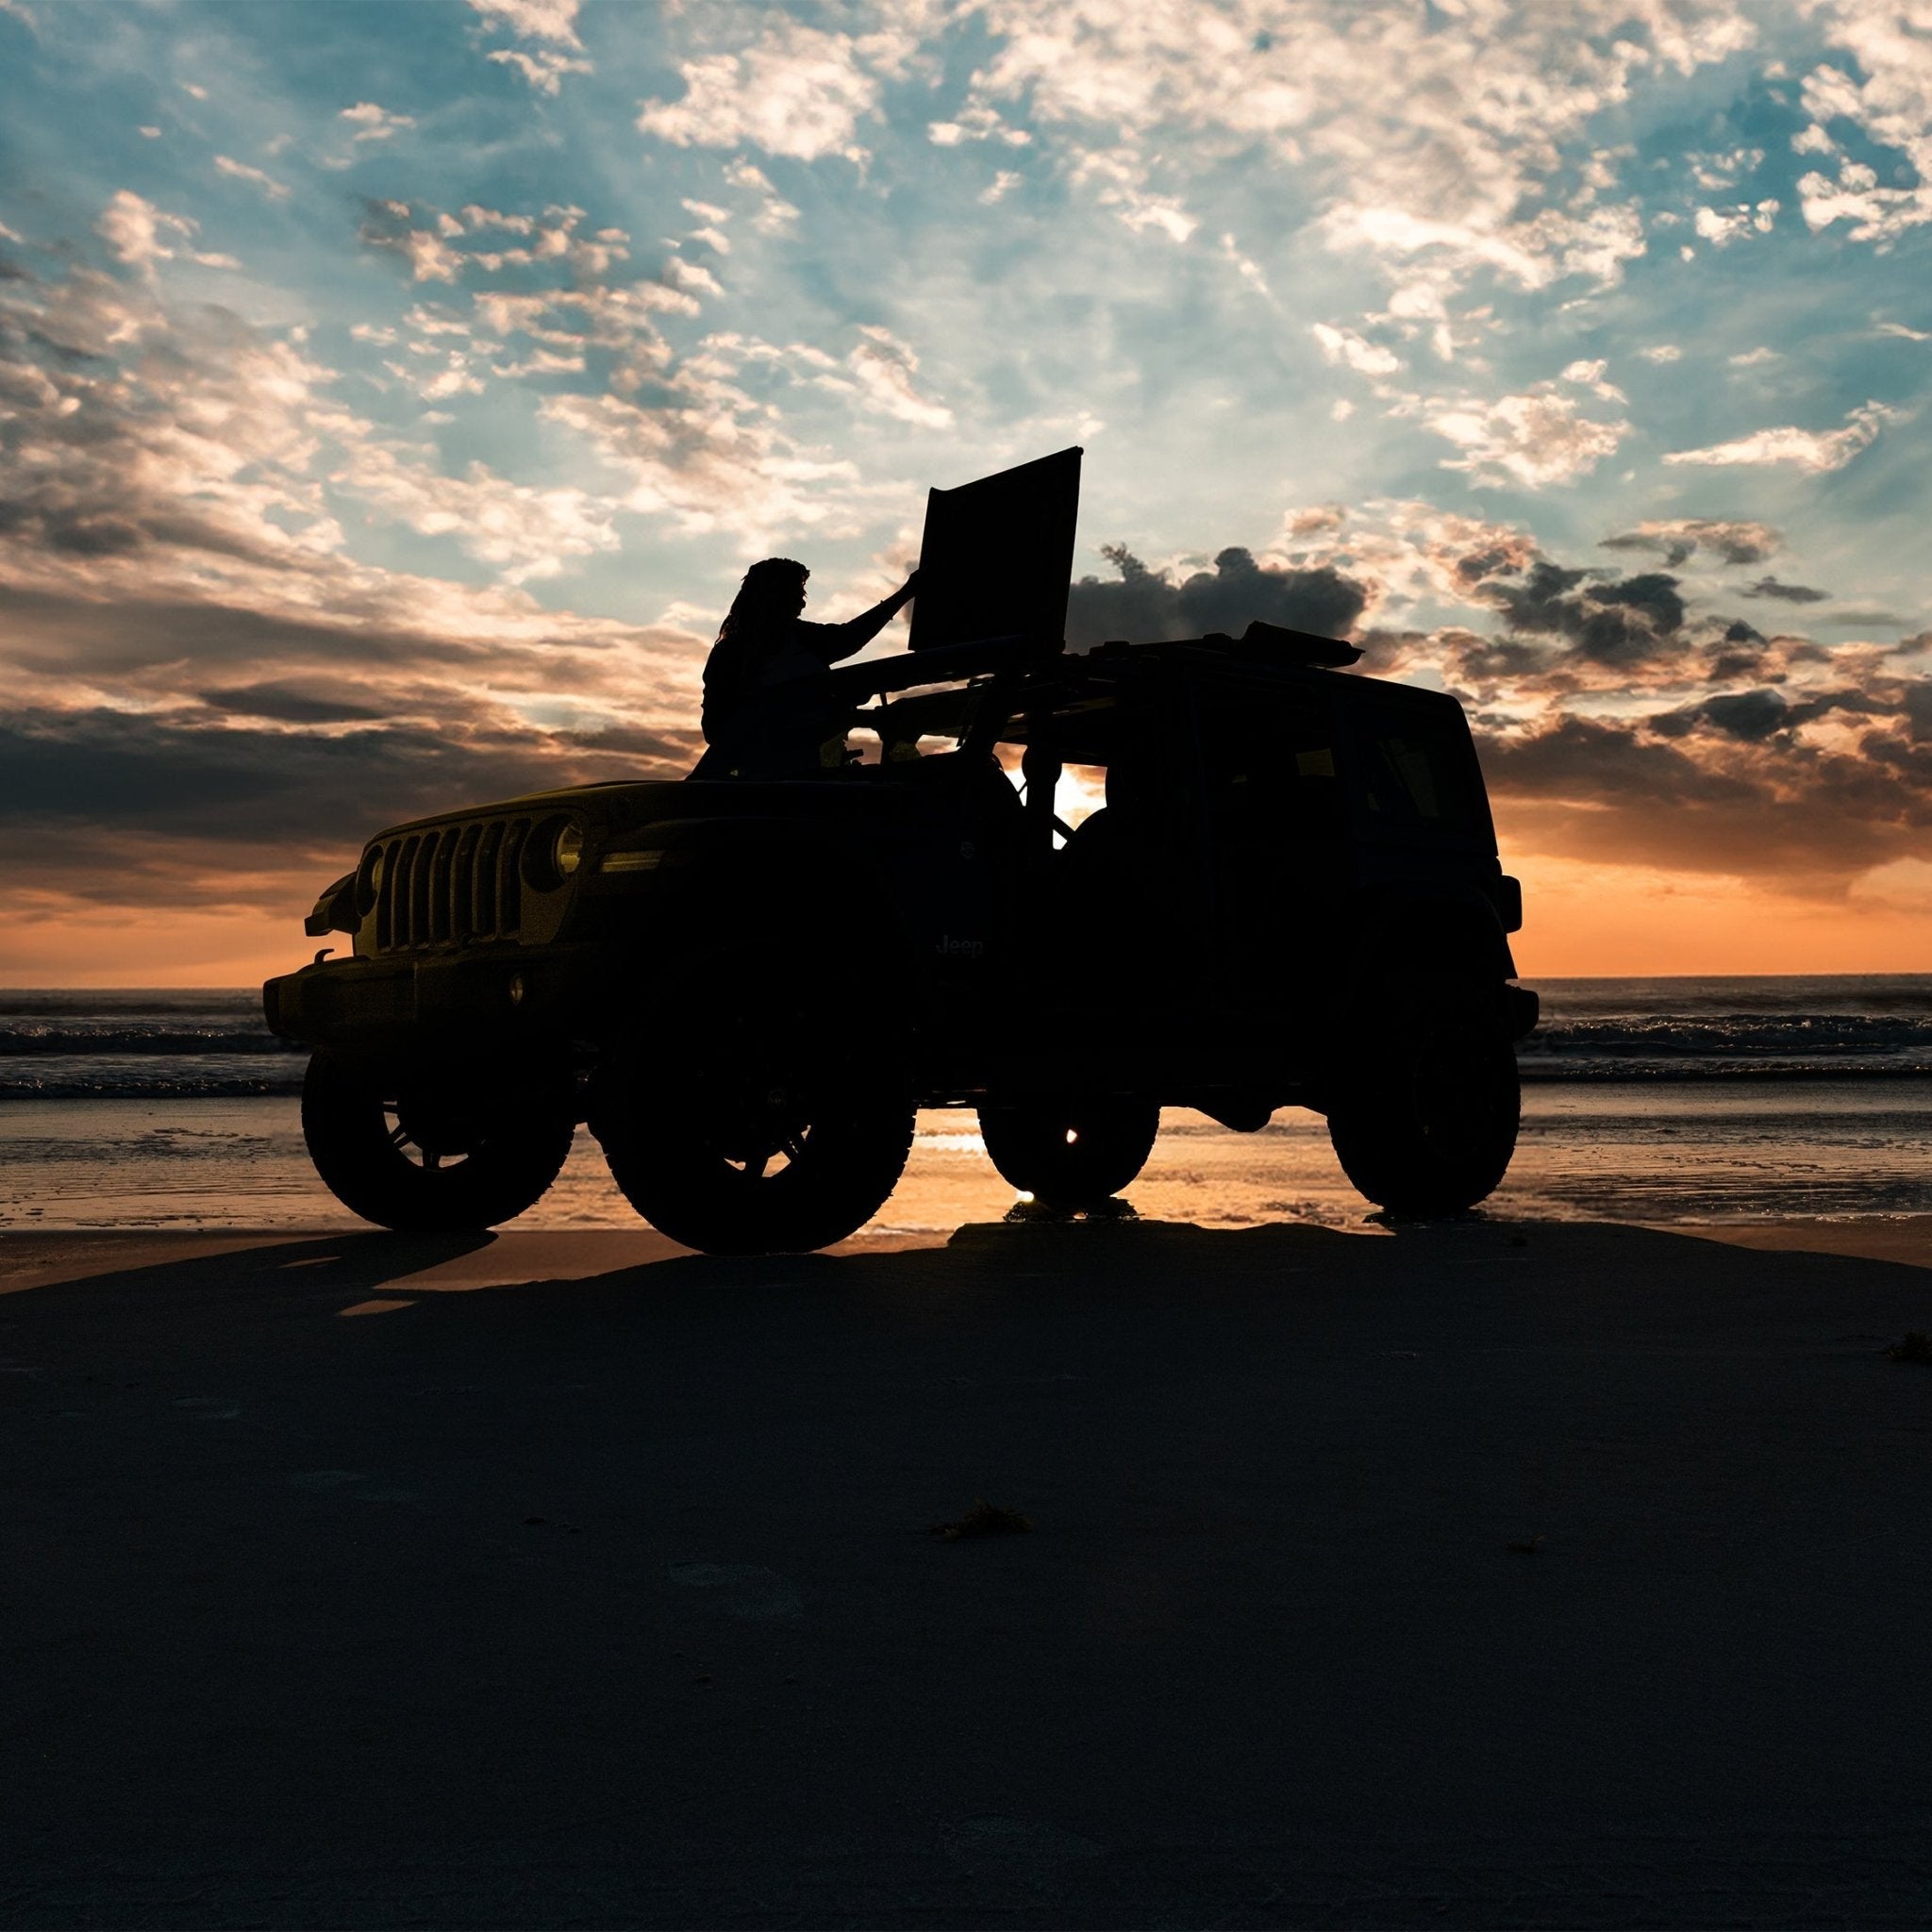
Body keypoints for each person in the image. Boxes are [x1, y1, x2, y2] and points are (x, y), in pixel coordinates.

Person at [695, 557, 919, 777]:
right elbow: (715, 730)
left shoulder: (802, 638)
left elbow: (848, 638)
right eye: (796, 594)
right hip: (766, 784)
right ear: (773, 597)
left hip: (817, 774)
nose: (802, 603)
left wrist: (908, 592)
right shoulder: (730, 655)